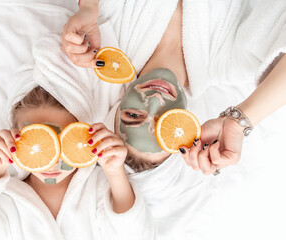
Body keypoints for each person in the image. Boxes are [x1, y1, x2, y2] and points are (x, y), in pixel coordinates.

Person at [0, 35, 155, 240]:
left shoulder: (99, 189)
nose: (53, 160)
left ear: (82, 135)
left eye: (63, 142)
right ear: (14, 138)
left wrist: (115, 173)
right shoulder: (4, 199)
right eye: (37, 141)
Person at [61, 0, 286, 175]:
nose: (156, 100)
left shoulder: (110, 34)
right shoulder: (229, 60)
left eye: (133, 114)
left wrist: (89, 6)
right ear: (186, 126)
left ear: (119, 106)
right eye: (164, 121)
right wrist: (238, 122)